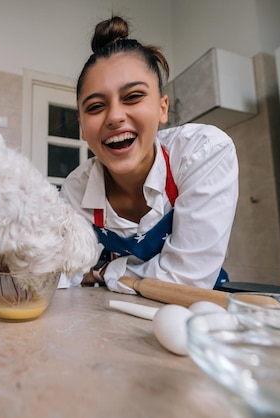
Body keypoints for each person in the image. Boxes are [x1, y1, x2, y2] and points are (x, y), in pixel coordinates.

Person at [59, 16, 239, 294]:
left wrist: (103, 272)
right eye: (95, 106)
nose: (115, 117)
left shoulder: (203, 150)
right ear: (83, 127)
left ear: (162, 108)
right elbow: (62, 274)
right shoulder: (76, 188)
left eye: (132, 97)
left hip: (195, 311)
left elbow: (187, 280)